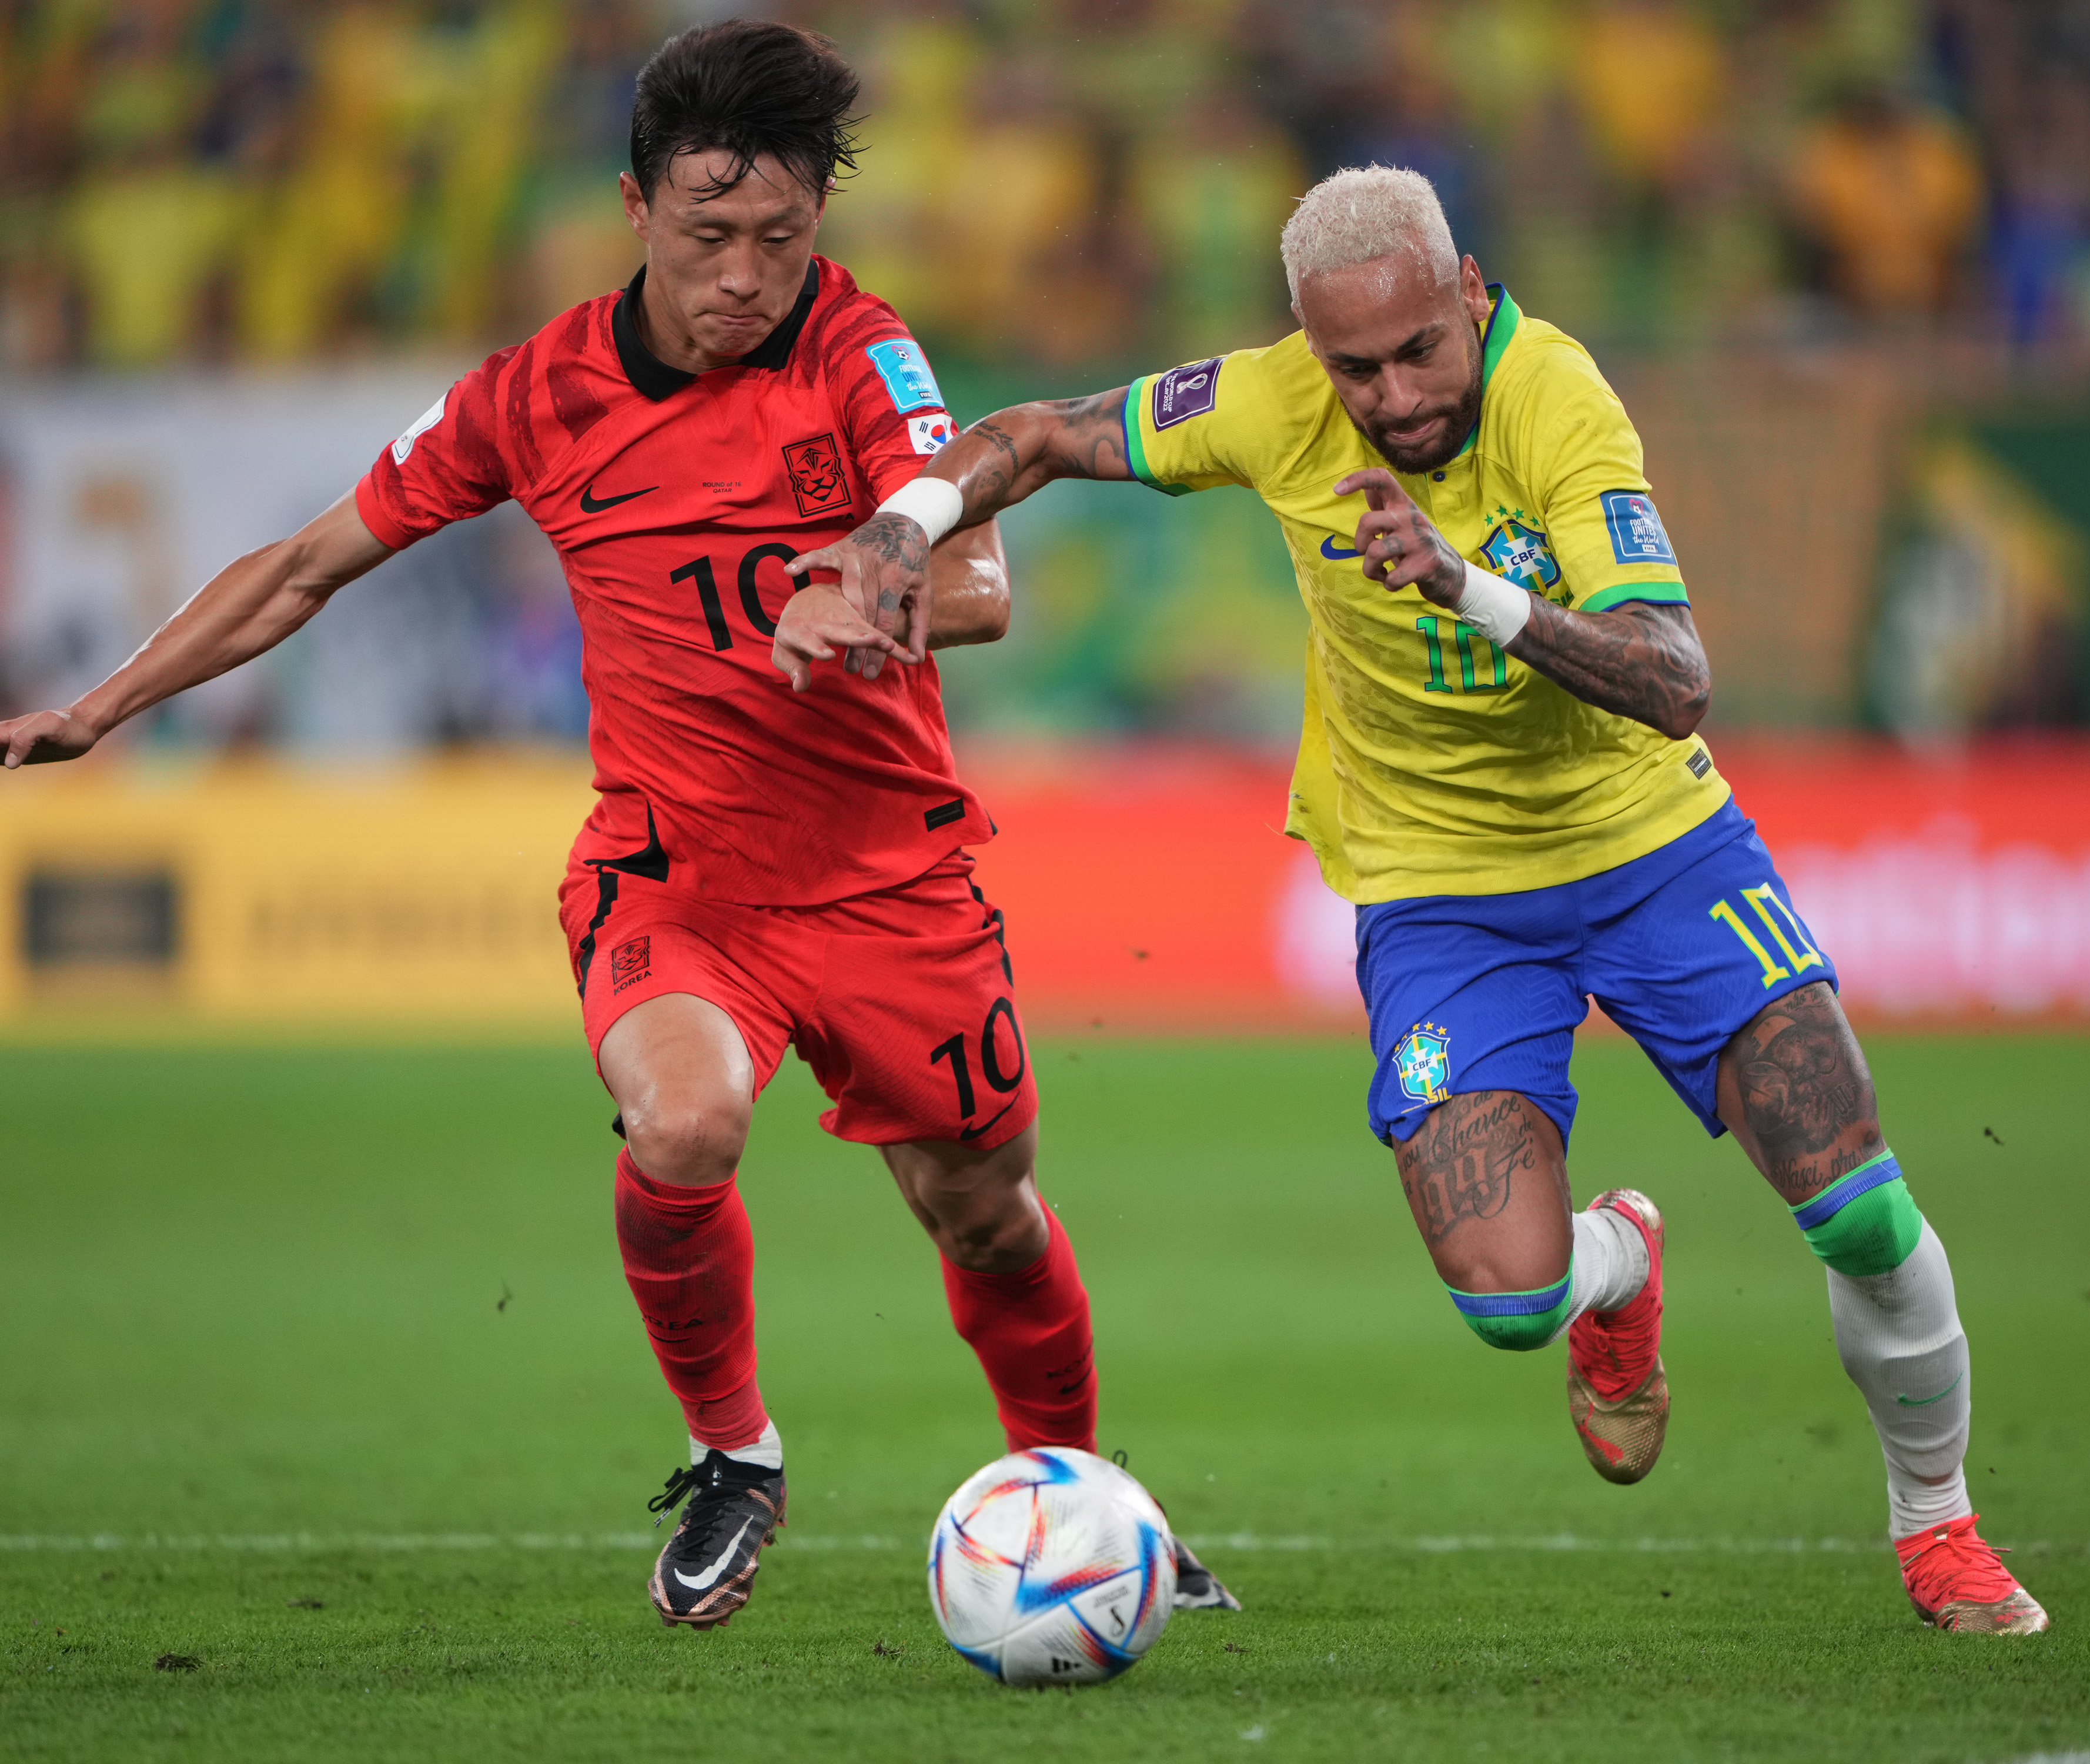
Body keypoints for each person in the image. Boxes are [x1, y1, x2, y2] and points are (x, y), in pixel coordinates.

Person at [2, 19, 1232, 1631]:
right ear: (636, 208)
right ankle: (735, 1454)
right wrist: (107, 703)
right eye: (710, 237)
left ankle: (1077, 1501)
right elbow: (307, 568)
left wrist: (855, 593)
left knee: (983, 1206)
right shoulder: (533, 395)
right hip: (677, 877)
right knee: (682, 1124)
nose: (747, 276)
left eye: (781, 241)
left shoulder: (866, 360)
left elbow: (982, 576)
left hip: (887, 880)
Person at [778, 165, 2050, 1634]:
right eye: (1352, 368)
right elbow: (1036, 434)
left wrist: (1468, 587)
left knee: (1854, 1197)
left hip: (1656, 852)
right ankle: (1619, 1262)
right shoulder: (1265, 402)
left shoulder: (1558, 401)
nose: (1388, 397)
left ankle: (1938, 1528)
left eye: (1415, 354)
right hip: (1440, 897)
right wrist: (903, 525)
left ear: (1470, 292)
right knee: (1511, 1301)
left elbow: (1677, 678)